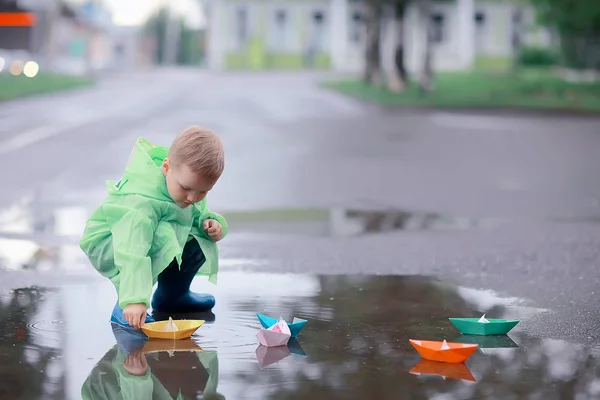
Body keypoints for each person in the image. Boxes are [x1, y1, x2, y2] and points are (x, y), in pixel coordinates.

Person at [79, 126, 228, 329]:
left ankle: (173, 295)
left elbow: (196, 216)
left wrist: (212, 223)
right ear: (166, 167)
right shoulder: (142, 202)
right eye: (185, 188)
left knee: (197, 234)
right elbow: (132, 249)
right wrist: (134, 299)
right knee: (163, 235)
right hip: (110, 243)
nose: (193, 198)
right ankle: (125, 307)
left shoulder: (184, 187)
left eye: (203, 192)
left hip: (138, 239)